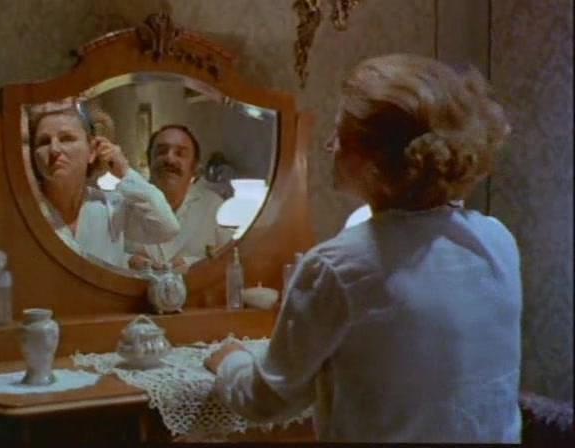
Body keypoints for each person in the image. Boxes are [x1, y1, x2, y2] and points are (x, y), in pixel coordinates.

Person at [204, 54, 520, 443]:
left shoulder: (339, 265)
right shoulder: (496, 239)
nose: (329, 145)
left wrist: (229, 362)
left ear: (376, 156)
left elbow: (268, 398)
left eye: (340, 134)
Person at [28, 97, 180, 269]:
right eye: (43, 142)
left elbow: (166, 227)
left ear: (92, 150)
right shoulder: (27, 211)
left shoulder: (110, 207)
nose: (54, 149)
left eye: (66, 138)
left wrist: (124, 171)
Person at [126, 124, 233, 272]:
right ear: (150, 161)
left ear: (194, 167)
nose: (169, 159)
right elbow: (103, 254)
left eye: (180, 154)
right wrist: (127, 260)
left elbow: (231, 260)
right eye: (161, 152)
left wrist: (193, 264)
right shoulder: (125, 202)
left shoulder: (215, 207)